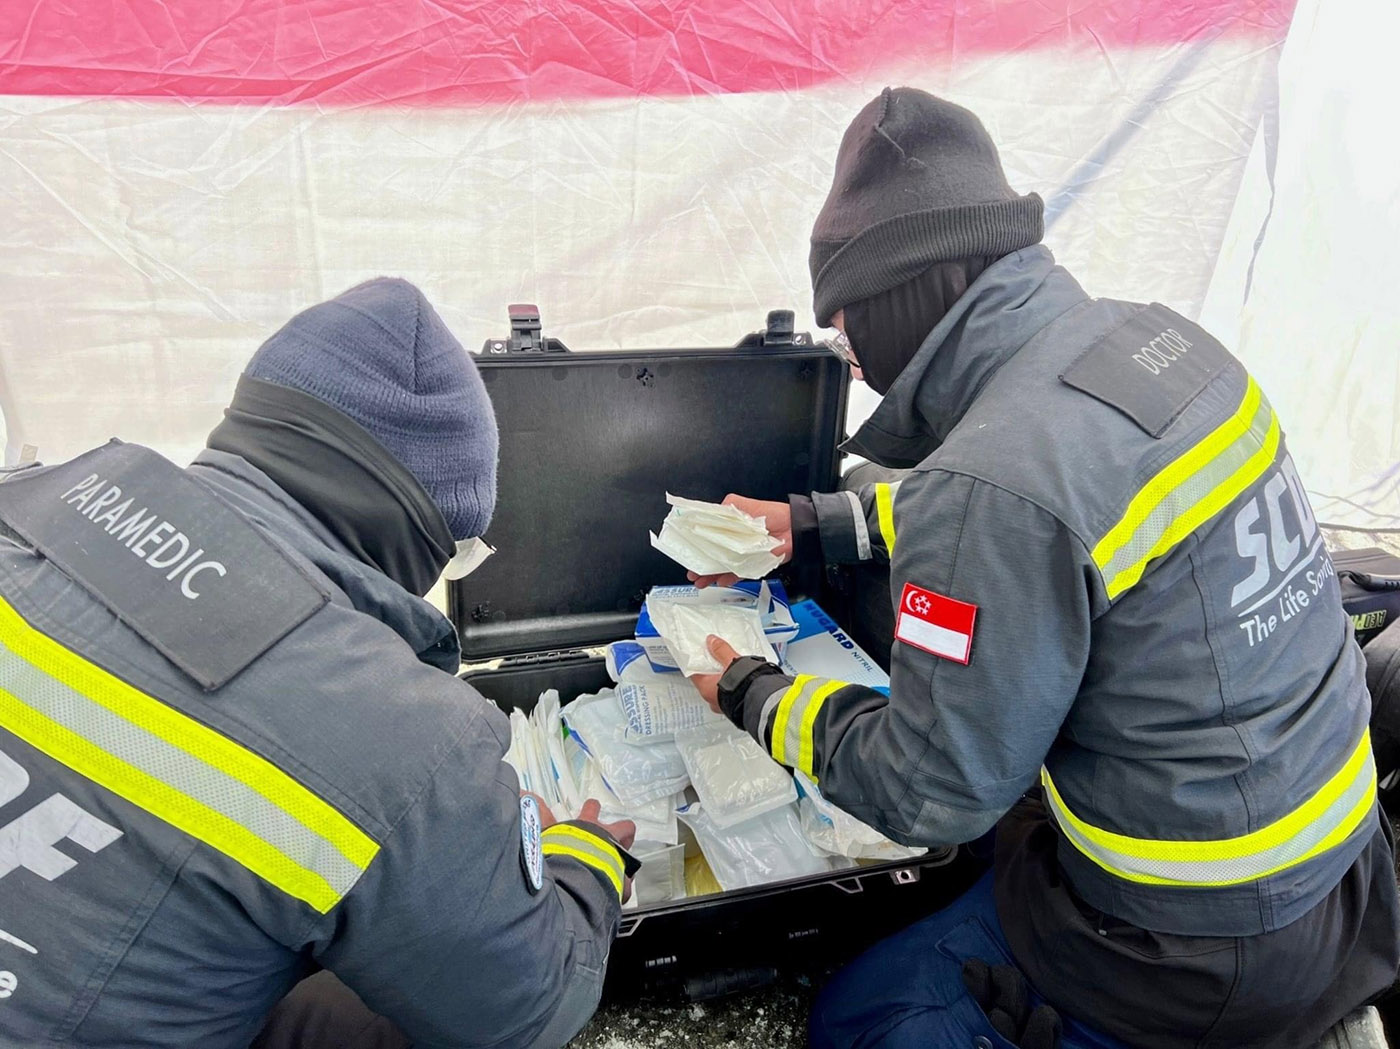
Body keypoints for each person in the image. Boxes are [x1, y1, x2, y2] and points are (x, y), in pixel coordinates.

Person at [689, 87, 1400, 1049]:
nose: (851, 360)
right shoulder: (1165, 344)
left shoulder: (991, 481)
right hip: (1349, 874)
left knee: (858, 1018)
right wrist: (815, 523)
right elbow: (1054, 513)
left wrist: (750, 689)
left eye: (849, 328)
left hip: (1190, 950)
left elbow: (926, 792)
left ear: (905, 295)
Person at [0, 278, 633, 1049]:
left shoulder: (24, 499)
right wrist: (585, 860)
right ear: (420, 536)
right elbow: (528, 1011)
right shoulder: (394, 729)